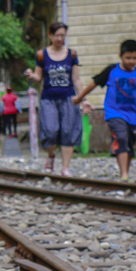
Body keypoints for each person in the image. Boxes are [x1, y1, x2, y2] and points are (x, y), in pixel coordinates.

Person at [72, 39, 136, 182]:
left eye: (135, 58)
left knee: (129, 144)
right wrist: (80, 97)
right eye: (128, 58)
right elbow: (94, 83)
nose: (131, 61)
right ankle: (124, 175)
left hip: (133, 116)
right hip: (114, 113)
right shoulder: (112, 71)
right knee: (121, 138)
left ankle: (125, 173)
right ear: (120, 56)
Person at [24, 22, 84, 178]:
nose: (60, 38)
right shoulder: (41, 54)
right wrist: (31, 75)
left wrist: (82, 98)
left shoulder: (72, 54)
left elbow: (76, 79)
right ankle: (51, 155)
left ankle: (65, 168)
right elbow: (38, 77)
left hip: (69, 98)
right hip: (48, 98)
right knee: (50, 131)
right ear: (50, 35)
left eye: (62, 35)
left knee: (68, 132)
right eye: (57, 35)